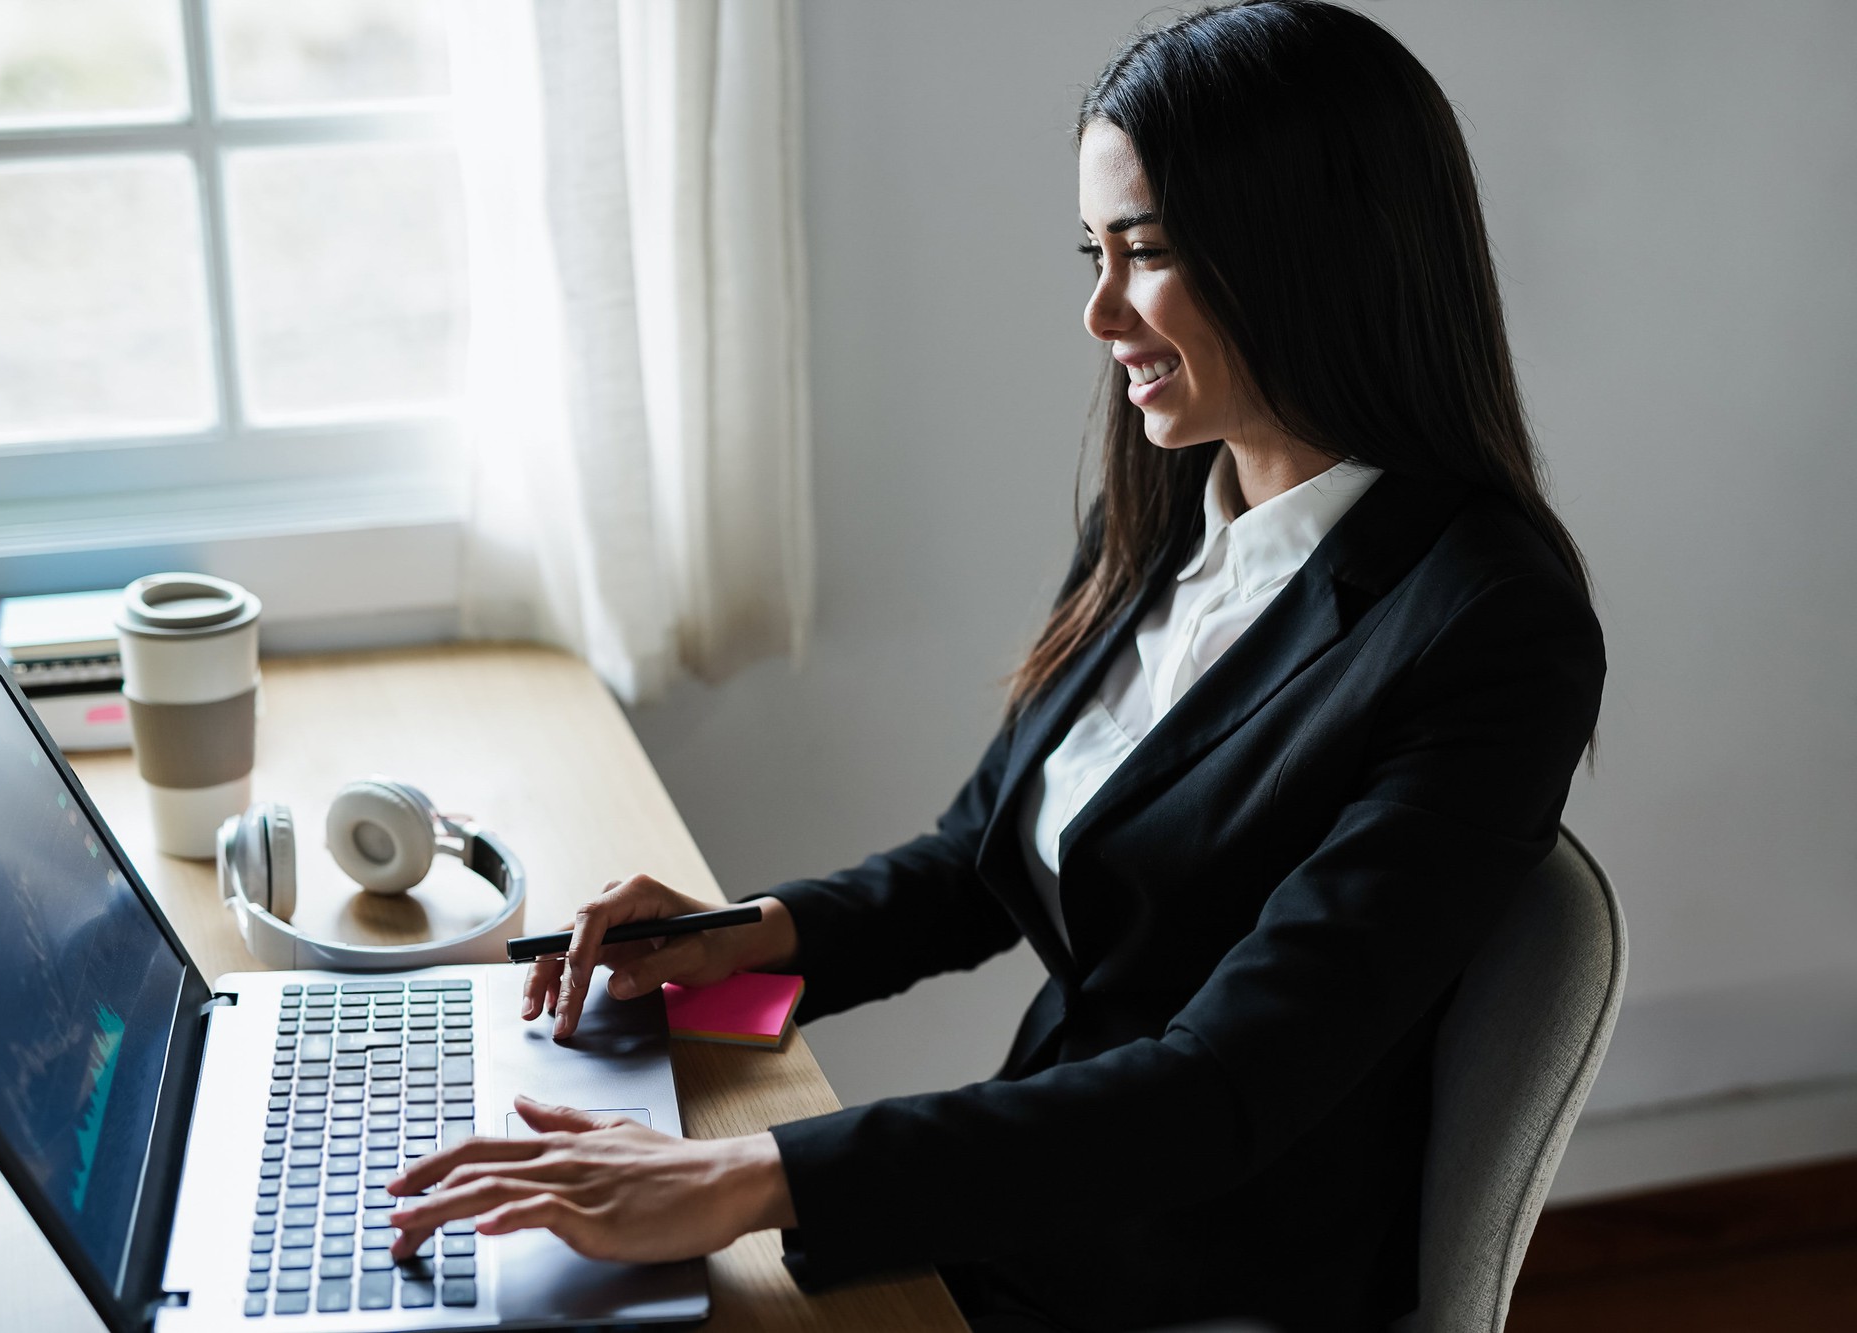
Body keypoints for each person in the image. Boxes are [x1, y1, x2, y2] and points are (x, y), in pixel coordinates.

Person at [384, 3, 1607, 1329]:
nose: (1097, 312)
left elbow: (1223, 1085)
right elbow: (979, 864)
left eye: (1143, 256)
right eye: (1094, 252)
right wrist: (724, 951)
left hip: (1187, 1271)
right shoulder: (1170, 504)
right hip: (1034, 1203)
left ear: (1306, 253)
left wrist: (748, 1174)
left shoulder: (1490, 628)